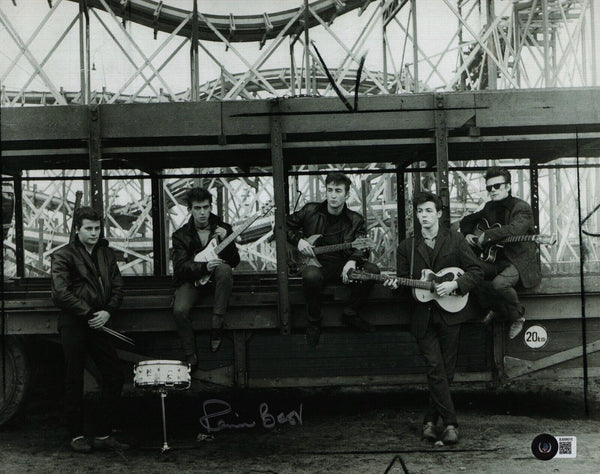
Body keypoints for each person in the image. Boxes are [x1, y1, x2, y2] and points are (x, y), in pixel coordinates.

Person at [384, 192, 483, 444]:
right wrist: (395, 284)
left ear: (439, 214)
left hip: (452, 312)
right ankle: (450, 424)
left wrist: (455, 286)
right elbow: (403, 280)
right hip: (422, 317)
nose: (424, 216)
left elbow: (476, 271)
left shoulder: (456, 240)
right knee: (435, 367)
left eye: (429, 211)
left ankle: (430, 421)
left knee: (446, 372)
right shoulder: (407, 247)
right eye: (420, 211)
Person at [51, 206, 128, 453]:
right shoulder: (63, 255)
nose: (94, 233)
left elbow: (117, 286)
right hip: (75, 322)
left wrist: (107, 312)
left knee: (115, 374)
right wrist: (88, 313)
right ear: (77, 230)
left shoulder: (107, 254)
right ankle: (76, 435)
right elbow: (60, 293)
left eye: (97, 228)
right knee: (74, 378)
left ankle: (103, 433)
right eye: (89, 229)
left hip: (99, 322)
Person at [286, 172, 380, 347]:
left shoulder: (356, 220)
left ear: (347, 195)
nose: (333, 195)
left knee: (372, 271)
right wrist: (298, 241)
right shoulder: (310, 211)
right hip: (316, 265)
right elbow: (282, 226)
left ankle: (350, 312)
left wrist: (352, 260)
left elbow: (363, 248)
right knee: (310, 276)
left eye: (338, 191)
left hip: (343, 266)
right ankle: (314, 321)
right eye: (330, 190)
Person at [459, 166, 541, 339]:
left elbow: (514, 230)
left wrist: (487, 235)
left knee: (499, 284)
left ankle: (517, 317)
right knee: (471, 271)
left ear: (508, 186)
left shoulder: (521, 207)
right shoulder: (489, 206)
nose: (492, 191)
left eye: (497, 186)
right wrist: (467, 234)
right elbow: (467, 220)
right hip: (496, 258)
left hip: (519, 260)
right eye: (489, 188)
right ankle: (495, 308)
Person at [171, 187, 240, 365]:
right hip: (192, 280)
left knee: (225, 269)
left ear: (210, 207)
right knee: (179, 310)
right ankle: (190, 354)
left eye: (205, 207)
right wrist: (204, 267)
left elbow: (234, 261)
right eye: (197, 208)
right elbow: (179, 267)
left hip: (216, 281)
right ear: (190, 210)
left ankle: (217, 326)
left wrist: (229, 242)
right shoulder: (180, 236)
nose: (202, 212)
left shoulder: (223, 228)